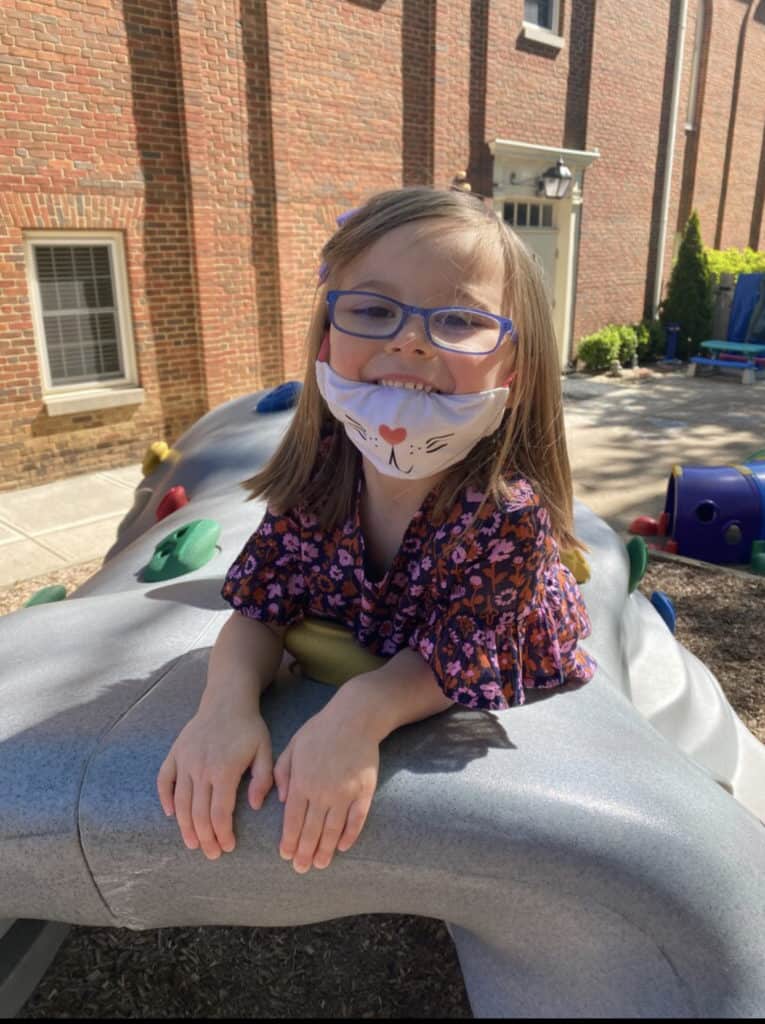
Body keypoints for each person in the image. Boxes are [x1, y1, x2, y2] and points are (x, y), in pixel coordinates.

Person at [157, 186, 596, 874]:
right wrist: (223, 706)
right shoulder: (317, 479)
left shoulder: (506, 515)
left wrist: (363, 711)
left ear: (513, 363)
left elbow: (459, 655)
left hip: (498, 624)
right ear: (327, 338)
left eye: (458, 320)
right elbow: (258, 610)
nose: (409, 340)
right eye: (371, 308)